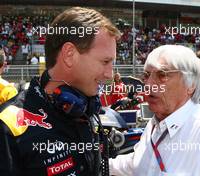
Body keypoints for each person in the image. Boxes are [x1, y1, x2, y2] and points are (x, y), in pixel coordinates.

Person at [0, 7, 120, 176]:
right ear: (69, 54)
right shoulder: (8, 128)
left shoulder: (86, 109)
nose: (110, 74)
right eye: (105, 61)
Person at [110, 45, 200, 176]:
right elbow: (137, 163)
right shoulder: (153, 124)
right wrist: (100, 165)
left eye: (162, 75)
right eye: (146, 75)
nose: (149, 85)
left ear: (190, 85)